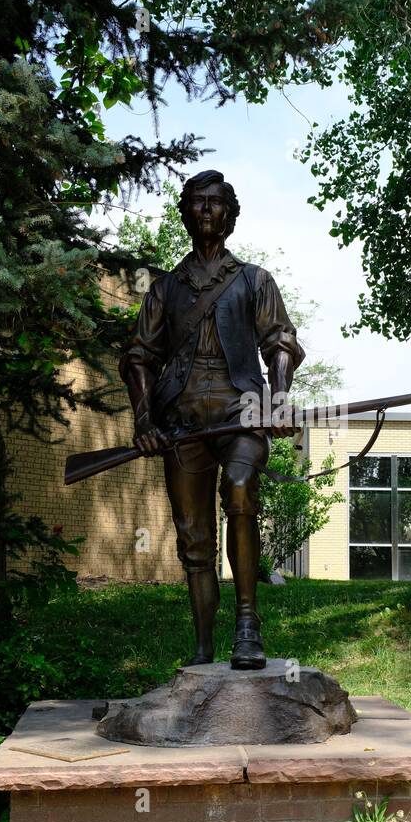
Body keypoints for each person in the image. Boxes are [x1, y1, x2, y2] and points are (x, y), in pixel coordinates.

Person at [119, 169, 304, 669]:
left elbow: (280, 343)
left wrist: (280, 399)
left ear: (230, 215)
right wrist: (144, 421)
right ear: (185, 212)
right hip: (182, 425)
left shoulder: (254, 281)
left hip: (240, 413)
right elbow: (139, 357)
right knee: (193, 536)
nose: (205, 209)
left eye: (215, 203)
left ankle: (248, 626)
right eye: (196, 202)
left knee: (241, 489)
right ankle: (202, 646)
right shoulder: (164, 290)